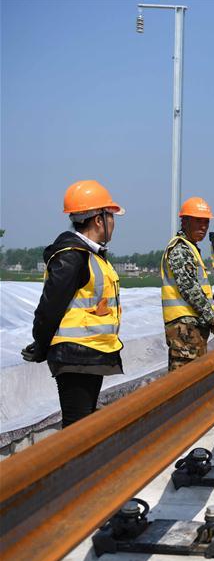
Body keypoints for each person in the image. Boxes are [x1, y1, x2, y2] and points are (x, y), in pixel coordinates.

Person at [21, 180, 125, 427]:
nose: (114, 222)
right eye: (110, 216)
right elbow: (50, 307)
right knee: (76, 429)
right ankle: (69, 467)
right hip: (76, 356)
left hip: (91, 354)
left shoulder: (92, 256)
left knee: (83, 427)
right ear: (99, 220)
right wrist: (41, 343)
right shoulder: (72, 255)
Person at [160, 197, 214, 371]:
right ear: (185, 221)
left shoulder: (190, 248)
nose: (203, 226)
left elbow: (201, 289)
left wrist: (213, 312)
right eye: (198, 221)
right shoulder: (180, 249)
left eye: (206, 222)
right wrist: (212, 317)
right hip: (184, 329)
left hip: (192, 328)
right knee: (183, 383)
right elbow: (189, 288)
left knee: (194, 380)